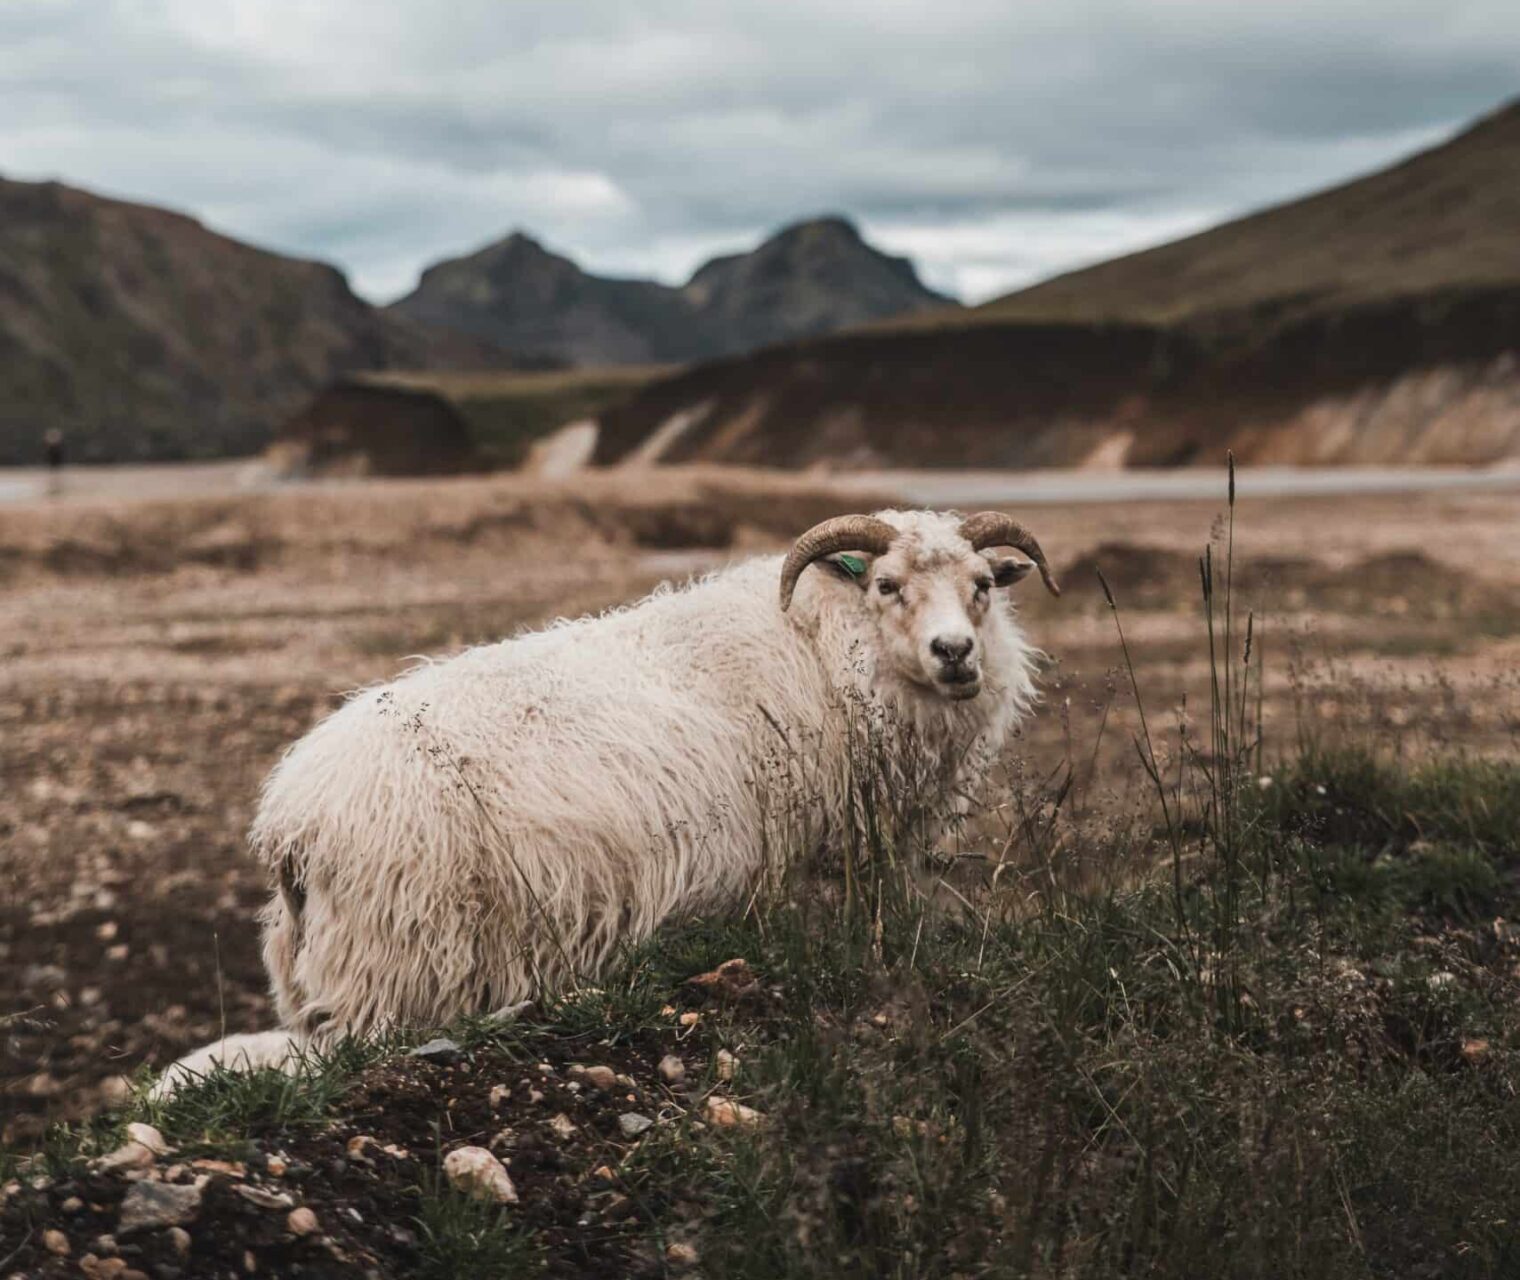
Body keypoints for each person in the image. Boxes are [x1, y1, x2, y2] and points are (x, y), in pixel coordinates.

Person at [44, 428, 65, 497]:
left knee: (56, 477)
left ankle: (56, 489)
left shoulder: (56, 447)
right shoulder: (52, 447)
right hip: (53, 463)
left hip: (55, 463)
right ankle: (54, 489)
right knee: (54, 477)